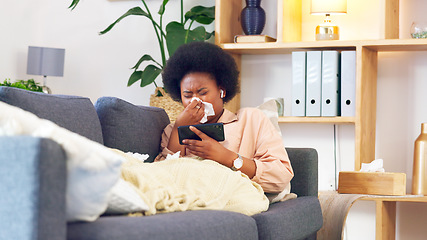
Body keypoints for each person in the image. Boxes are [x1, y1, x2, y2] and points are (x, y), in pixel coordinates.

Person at [155, 41, 293, 193]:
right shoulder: (171, 130)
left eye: (202, 93)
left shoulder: (251, 120)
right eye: (187, 95)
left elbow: (280, 176)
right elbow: (160, 180)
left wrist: (227, 157)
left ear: (222, 91)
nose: (195, 101)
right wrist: (178, 129)